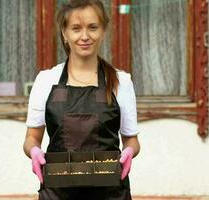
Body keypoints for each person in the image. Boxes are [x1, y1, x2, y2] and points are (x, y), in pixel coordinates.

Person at [23, 0, 140, 199]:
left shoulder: (121, 81)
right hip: (58, 191)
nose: (85, 36)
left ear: (103, 31)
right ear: (64, 33)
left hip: (110, 192)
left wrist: (129, 151)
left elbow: (132, 140)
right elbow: (32, 138)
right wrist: (34, 151)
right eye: (76, 29)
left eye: (92, 27)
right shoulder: (46, 80)